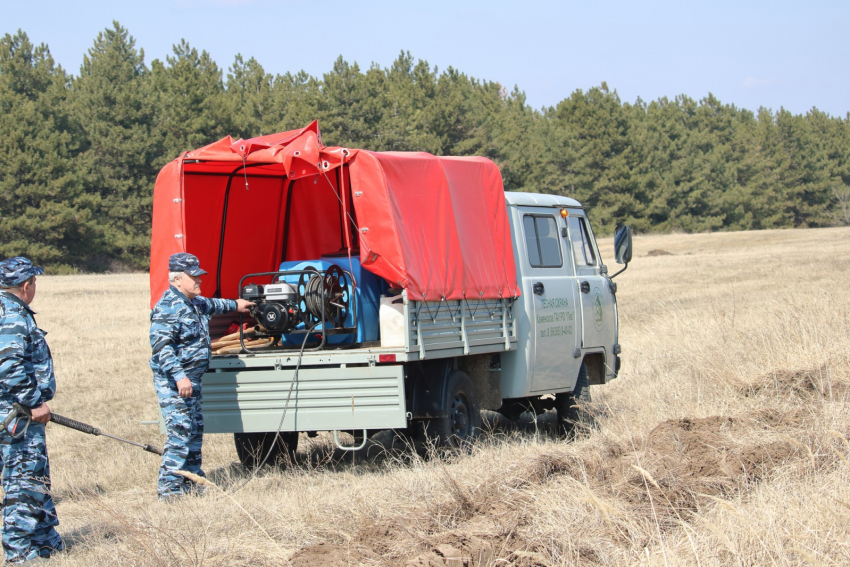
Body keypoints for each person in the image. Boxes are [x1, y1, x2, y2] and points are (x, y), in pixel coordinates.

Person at [150, 253, 253, 499]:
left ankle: (191, 481)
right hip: (176, 383)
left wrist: (239, 304)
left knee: (195, 430)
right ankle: (170, 489)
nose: (199, 280)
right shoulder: (167, 308)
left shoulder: (196, 302)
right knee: (181, 430)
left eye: (199, 275)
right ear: (176, 279)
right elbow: (162, 348)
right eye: (193, 276)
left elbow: (217, 305)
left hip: (193, 381)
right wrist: (179, 377)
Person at [0, 257, 63, 562]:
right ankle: (19, 551)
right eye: (34, 283)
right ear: (27, 286)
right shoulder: (11, 315)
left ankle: (45, 542)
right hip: (18, 416)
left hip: (17, 413)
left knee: (35, 476)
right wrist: (34, 402)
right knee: (24, 480)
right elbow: (9, 365)